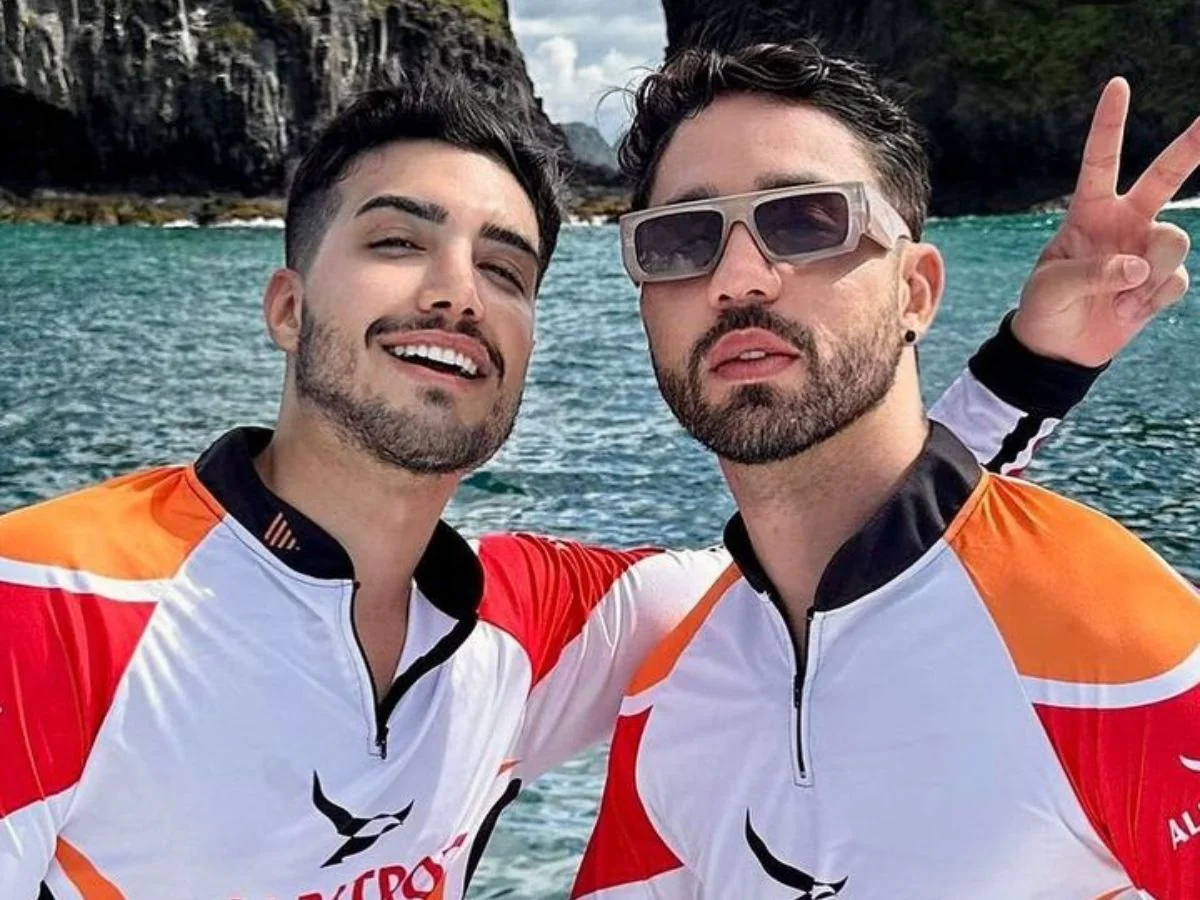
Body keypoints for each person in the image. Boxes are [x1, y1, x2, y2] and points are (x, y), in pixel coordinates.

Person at [0, 67, 1184, 899]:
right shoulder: (50, 603)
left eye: (506, 268)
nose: (455, 291)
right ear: (287, 305)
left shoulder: (548, 631)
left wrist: (1037, 364)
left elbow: (866, 549)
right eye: (397, 241)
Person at [571, 43, 1199, 900]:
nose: (739, 279)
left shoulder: (1120, 649)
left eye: (805, 222)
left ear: (916, 293)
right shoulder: (669, 700)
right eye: (682, 239)